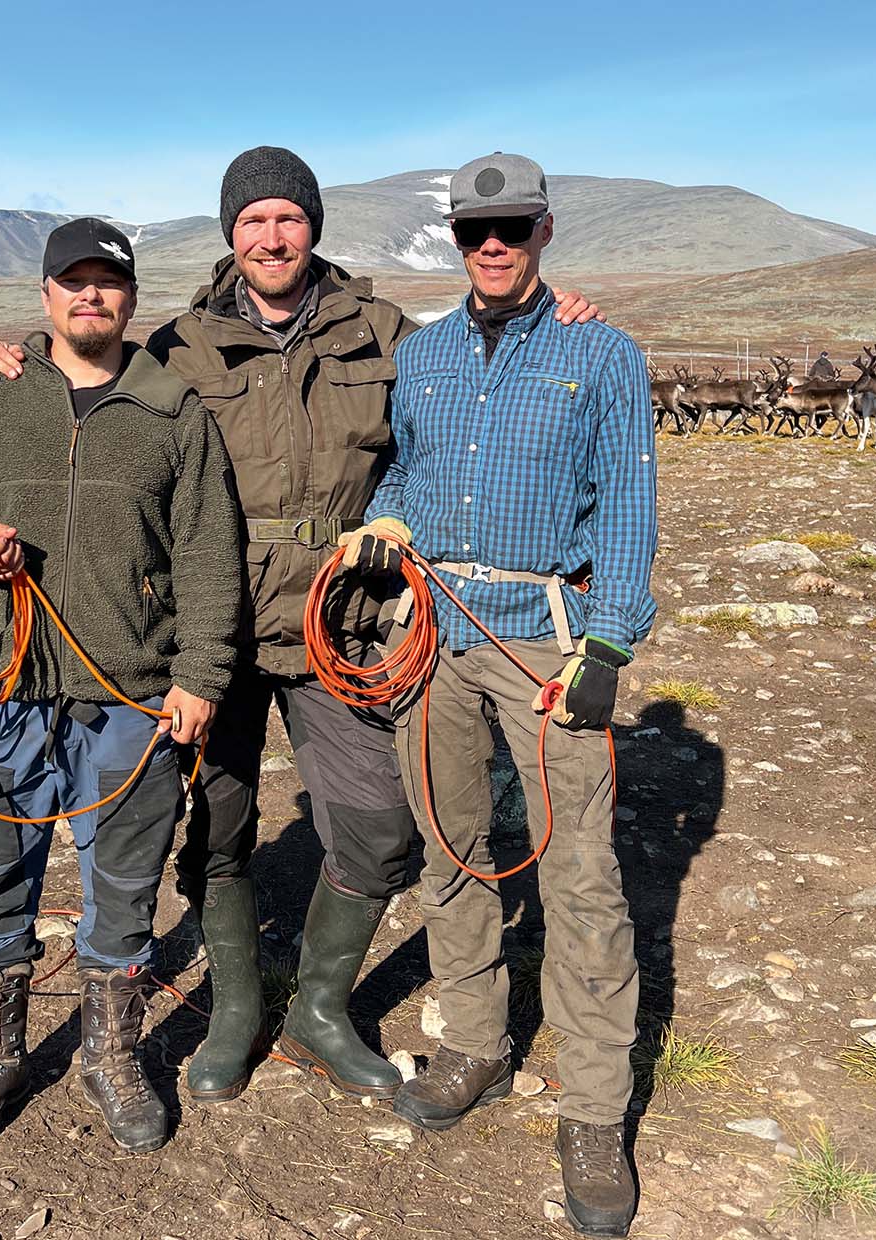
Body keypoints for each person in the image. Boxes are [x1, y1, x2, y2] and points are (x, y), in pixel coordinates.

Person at [0, 147, 603, 1108]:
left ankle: (317, 1005)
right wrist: (7, 349)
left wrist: (558, 317)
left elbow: (469, 389)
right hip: (207, 624)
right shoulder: (177, 345)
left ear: (312, 229)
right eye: (253, 220)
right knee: (213, 827)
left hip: (336, 623)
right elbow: (83, 366)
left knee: (381, 829)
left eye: (289, 219)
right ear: (231, 235)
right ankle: (233, 1009)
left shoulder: (383, 332)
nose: (272, 236)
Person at [342, 152, 656, 1237]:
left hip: (545, 644)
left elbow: (624, 501)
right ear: (453, 234)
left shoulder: (600, 353)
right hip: (432, 632)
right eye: (475, 227)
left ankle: (592, 1109)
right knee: (451, 850)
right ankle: (474, 1039)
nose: (492, 243)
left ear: (543, 231)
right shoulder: (421, 356)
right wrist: (385, 518)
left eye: (512, 227)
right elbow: (404, 471)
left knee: (578, 875)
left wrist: (611, 637)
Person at [0, 218, 244, 1156]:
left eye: (108, 283)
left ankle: (109, 1055)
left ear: (130, 299)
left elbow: (211, 555)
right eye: (73, 283)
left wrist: (200, 677)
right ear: (46, 294)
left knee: (125, 890)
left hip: (131, 698)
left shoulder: (173, 410)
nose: (90, 297)